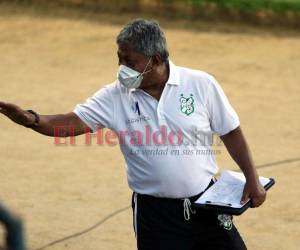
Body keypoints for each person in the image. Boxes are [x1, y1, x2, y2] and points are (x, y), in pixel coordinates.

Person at [0, 19, 266, 250]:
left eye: (129, 61)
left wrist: (252, 179)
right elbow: (72, 122)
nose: (121, 67)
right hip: (155, 217)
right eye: (119, 57)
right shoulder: (115, 96)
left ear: (157, 60)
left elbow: (231, 132)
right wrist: (32, 120)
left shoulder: (201, 84)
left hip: (207, 207)